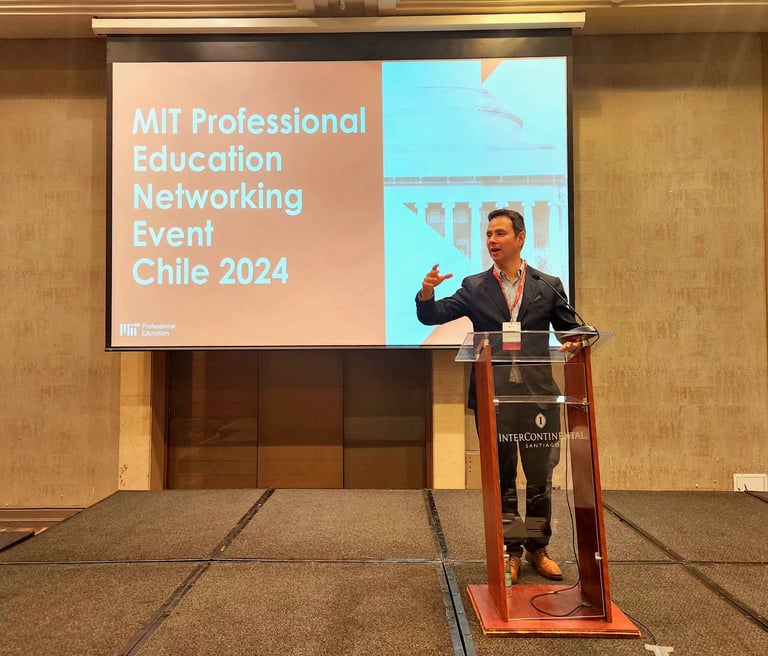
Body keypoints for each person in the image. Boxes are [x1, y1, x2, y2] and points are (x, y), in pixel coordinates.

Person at [415, 208, 582, 584]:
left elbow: (570, 328)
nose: (492, 240)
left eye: (500, 233)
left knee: (539, 478)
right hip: (494, 398)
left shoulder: (548, 285)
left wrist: (575, 340)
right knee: (503, 477)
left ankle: (538, 547)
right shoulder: (475, 286)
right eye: (489, 234)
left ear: (520, 238)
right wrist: (427, 293)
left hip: (538, 399)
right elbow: (432, 316)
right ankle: (511, 551)